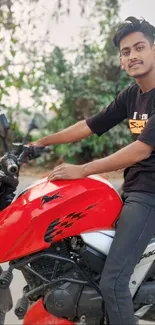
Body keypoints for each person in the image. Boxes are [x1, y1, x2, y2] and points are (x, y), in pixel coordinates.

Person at [32, 17, 155, 324]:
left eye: (139, 47)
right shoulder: (131, 94)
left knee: (114, 282)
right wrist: (39, 143)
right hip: (134, 189)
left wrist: (83, 169)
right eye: (126, 51)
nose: (132, 55)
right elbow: (88, 126)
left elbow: (141, 149)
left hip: (150, 194)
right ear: (121, 60)